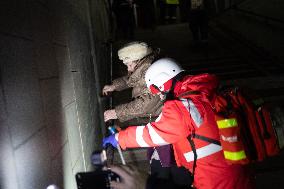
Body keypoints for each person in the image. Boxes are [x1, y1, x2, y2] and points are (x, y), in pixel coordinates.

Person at [103, 58, 256, 189]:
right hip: (238, 172)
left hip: (216, 179)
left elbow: (154, 134)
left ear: (163, 84)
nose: (160, 97)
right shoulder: (207, 95)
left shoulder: (184, 107)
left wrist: (119, 138)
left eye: (158, 92)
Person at [102, 42, 192, 188]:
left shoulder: (153, 73)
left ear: (138, 60)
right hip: (158, 123)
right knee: (161, 159)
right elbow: (130, 79)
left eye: (129, 64)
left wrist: (117, 116)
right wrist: (115, 85)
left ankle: (165, 179)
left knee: (164, 162)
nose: (127, 68)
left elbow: (147, 105)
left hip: (160, 121)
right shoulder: (145, 67)